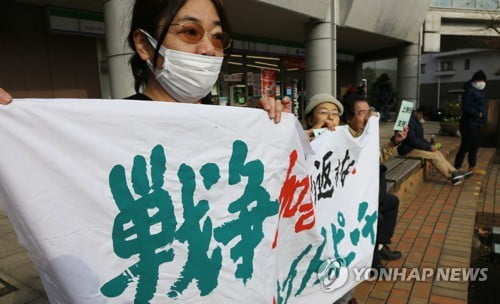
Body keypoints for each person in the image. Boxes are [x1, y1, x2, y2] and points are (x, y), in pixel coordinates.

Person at [0, 0, 291, 122]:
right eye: (190, 32)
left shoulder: (228, 119)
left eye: (218, 37)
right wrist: (13, 123)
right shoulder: (113, 125)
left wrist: (267, 125)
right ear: (144, 45)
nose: (208, 48)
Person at [343, 94, 407, 275]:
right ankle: (374, 262)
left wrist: (395, 141)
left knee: (391, 202)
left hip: (373, 193)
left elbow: (377, 158)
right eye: (362, 113)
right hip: (355, 198)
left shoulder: (367, 135)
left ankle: (380, 245)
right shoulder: (346, 138)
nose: (368, 117)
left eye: (369, 112)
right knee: (375, 217)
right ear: (349, 118)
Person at [398, 107, 470, 185]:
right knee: (434, 157)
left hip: (414, 147)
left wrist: (430, 145)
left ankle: (455, 172)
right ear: (421, 114)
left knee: (437, 153)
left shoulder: (416, 121)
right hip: (407, 150)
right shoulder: (410, 121)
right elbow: (412, 140)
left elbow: (420, 138)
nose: (425, 121)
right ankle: (451, 177)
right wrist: (428, 147)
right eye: (426, 118)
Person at [454, 70, 488, 175]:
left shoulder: (480, 92)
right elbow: (466, 107)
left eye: (483, 80)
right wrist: (477, 114)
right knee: (465, 146)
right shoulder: (469, 92)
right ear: (475, 81)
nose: (482, 83)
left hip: (477, 124)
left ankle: (472, 167)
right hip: (469, 124)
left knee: (475, 146)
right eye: (480, 80)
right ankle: (456, 168)